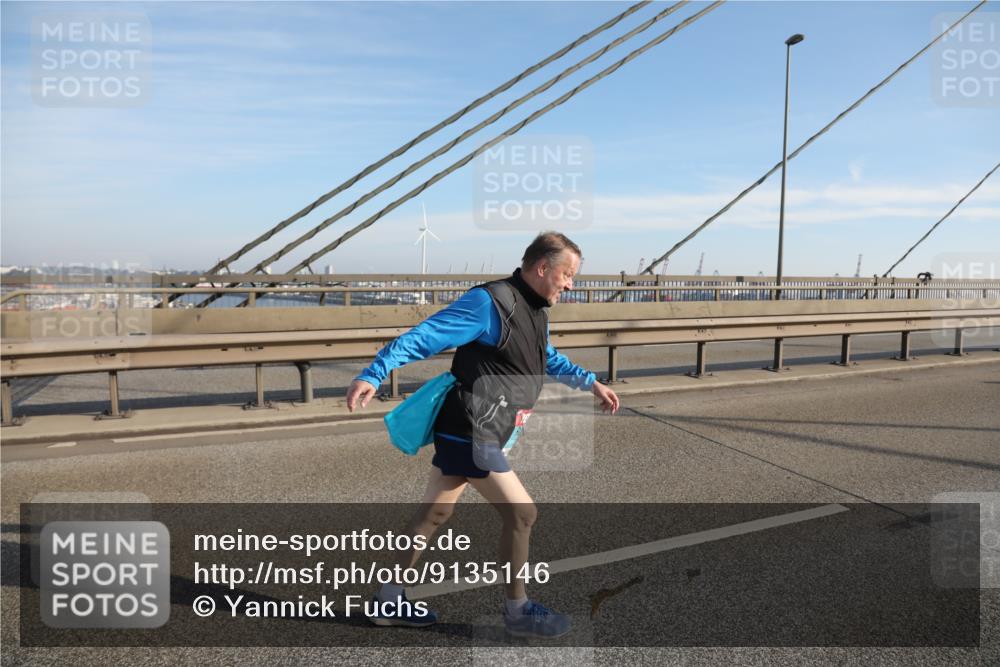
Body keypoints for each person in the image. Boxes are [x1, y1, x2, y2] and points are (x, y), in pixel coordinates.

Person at [345, 231, 620, 638]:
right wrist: (374, 371)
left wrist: (589, 381)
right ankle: (518, 610)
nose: (570, 284)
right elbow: (425, 335)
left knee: (434, 513)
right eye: (567, 274)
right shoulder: (489, 303)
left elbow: (545, 356)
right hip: (473, 428)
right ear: (543, 268)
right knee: (522, 514)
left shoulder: (535, 308)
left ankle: (388, 600)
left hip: (482, 427)